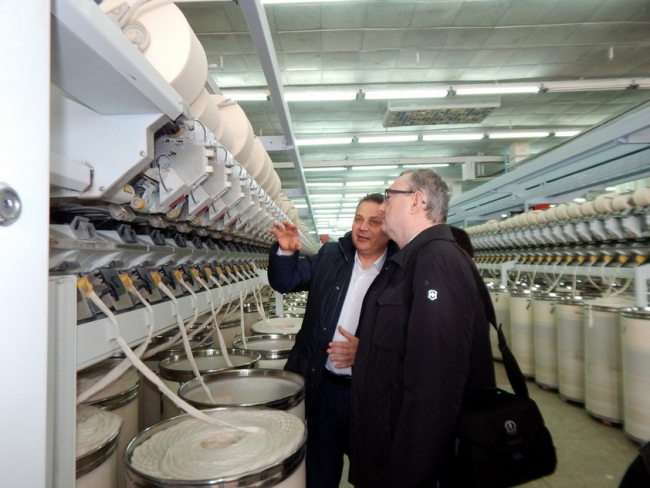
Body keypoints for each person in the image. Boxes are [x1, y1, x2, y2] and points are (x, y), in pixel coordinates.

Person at [349, 170, 496, 487]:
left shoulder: (436, 262)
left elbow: (435, 386)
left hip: (409, 463)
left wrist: (410, 474)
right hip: (386, 445)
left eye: (389, 197)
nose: (383, 206)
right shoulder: (412, 261)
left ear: (416, 201)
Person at [267, 193, 398, 488]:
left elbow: (409, 336)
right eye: (358, 219)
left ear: (389, 228)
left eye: (374, 222)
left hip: (367, 395)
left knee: (371, 473)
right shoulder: (330, 256)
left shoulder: (399, 271)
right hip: (322, 386)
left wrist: (366, 352)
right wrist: (285, 253)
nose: (363, 227)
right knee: (319, 471)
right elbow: (285, 282)